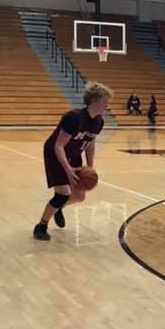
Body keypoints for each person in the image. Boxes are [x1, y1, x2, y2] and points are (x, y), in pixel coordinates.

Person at [33, 81, 112, 241]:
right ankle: (41, 226)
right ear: (95, 100)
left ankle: (58, 208)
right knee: (63, 194)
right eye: (105, 101)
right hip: (55, 153)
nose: (107, 105)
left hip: (75, 153)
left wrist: (90, 166)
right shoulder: (74, 117)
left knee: (79, 196)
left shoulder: (99, 121)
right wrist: (68, 170)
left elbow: (90, 143)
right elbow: (58, 145)